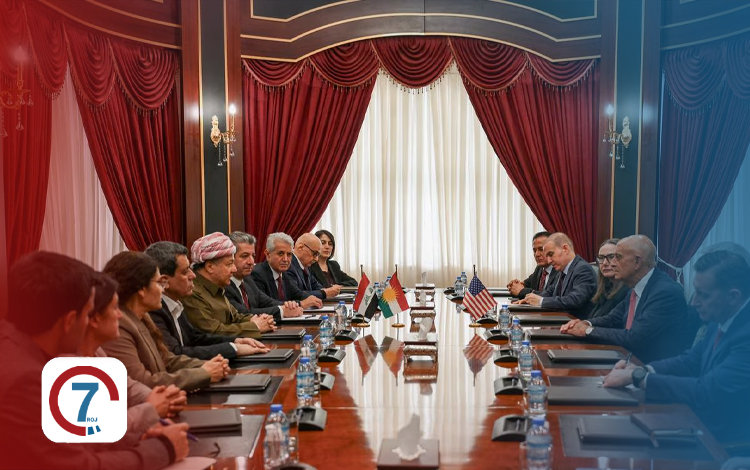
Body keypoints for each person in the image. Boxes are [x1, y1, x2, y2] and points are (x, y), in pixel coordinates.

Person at [0, 251, 188, 469]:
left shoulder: (16, 347)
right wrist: (164, 449)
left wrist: (138, 438)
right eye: (88, 313)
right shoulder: (27, 379)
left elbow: (81, 439)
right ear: (70, 321)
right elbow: (77, 465)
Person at [602, 250, 750, 445]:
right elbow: (689, 361)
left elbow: (706, 391)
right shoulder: (721, 316)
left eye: (703, 295)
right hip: (698, 423)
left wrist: (639, 378)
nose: (694, 302)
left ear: (733, 296)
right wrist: (642, 370)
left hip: (726, 443)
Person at [77, 272, 188, 449]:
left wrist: (160, 397)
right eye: (114, 308)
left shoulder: (97, 350)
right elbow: (97, 432)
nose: (120, 315)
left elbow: (126, 385)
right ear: (95, 319)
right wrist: (152, 408)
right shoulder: (67, 360)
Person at [101, 251, 228, 391]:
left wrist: (206, 366)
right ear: (142, 289)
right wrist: (203, 373)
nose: (162, 290)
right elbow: (141, 382)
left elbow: (165, 359)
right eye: (159, 283)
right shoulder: (119, 326)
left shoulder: (142, 317)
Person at [561, 235, 693, 363]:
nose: (612, 264)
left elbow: (635, 337)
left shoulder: (664, 292)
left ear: (637, 262)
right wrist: (585, 323)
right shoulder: (635, 288)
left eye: (617, 257)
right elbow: (611, 319)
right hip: (627, 362)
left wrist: (588, 331)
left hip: (651, 369)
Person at [145, 241, 270, 360]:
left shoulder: (175, 302)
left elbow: (195, 337)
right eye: (185, 271)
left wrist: (235, 341)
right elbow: (175, 354)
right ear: (164, 281)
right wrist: (234, 348)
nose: (192, 275)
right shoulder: (155, 309)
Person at [182, 232, 276, 338]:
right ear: (210, 267)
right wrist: (255, 326)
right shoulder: (192, 293)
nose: (234, 269)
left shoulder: (217, 287)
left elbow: (236, 317)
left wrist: (261, 320)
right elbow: (212, 332)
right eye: (229, 264)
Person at [516, 232, 597, 319]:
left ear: (565, 249)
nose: (549, 261)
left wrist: (541, 301)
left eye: (550, 254)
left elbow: (575, 299)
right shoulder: (562, 270)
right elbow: (549, 292)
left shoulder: (583, 269)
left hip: (575, 323)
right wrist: (530, 299)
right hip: (560, 319)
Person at [224, 231, 303, 321]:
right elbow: (243, 314)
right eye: (244, 256)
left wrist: (290, 306)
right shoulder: (224, 285)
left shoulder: (247, 280)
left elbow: (267, 302)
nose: (251, 262)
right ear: (230, 258)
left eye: (253, 256)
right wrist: (282, 311)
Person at [251, 232, 324, 309]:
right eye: (280, 253)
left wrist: (314, 300)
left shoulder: (284, 275)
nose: (286, 259)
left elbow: (299, 294)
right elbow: (266, 304)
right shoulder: (257, 274)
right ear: (268, 254)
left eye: (289, 254)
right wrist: (300, 304)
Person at [287, 232, 341, 299]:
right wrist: (325, 293)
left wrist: (329, 290)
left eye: (318, 255)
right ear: (301, 247)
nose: (316, 259)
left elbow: (316, 286)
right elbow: (295, 295)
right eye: (315, 254)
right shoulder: (288, 264)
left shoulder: (306, 265)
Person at [507, 231, 558, 299]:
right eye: (534, 250)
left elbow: (551, 295)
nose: (537, 254)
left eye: (541, 249)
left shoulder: (560, 270)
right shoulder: (540, 268)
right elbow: (527, 284)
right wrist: (515, 285)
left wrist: (522, 291)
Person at [588, 238, 628, 320]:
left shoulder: (627, 292)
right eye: (601, 257)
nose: (605, 263)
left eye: (611, 257)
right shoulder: (604, 289)